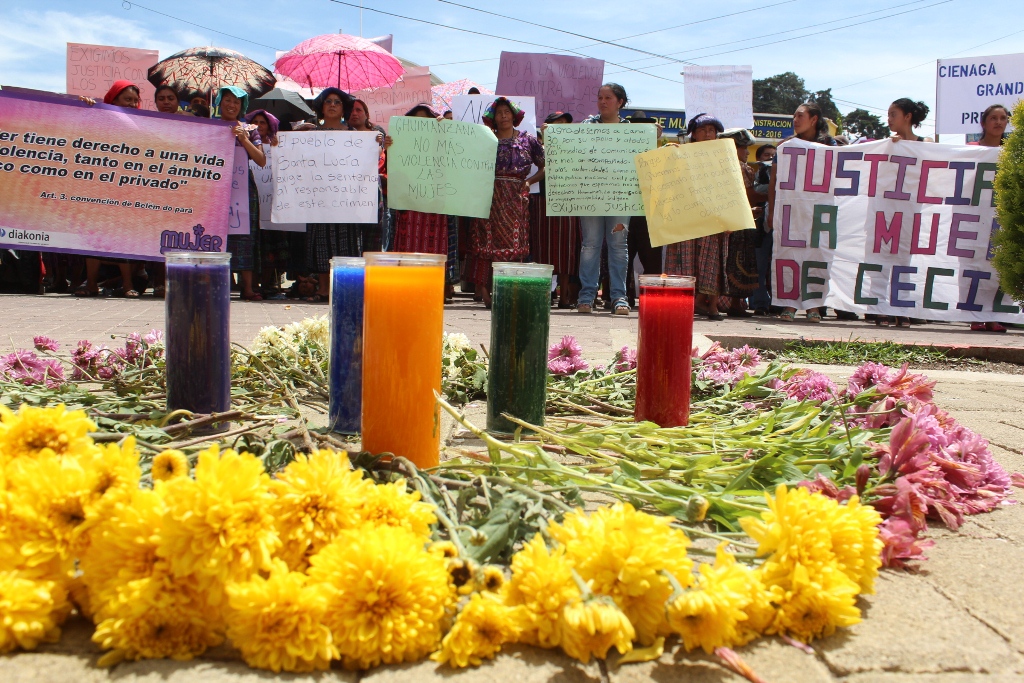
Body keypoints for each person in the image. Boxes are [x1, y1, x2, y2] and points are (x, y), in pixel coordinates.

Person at [469, 97, 545, 308]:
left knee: (515, 245)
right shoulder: (486, 139)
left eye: (507, 112)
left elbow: (544, 166)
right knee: (486, 243)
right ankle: (485, 291)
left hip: (516, 197)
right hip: (489, 195)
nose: (503, 115)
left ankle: (510, 289)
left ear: (514, 115)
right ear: (493, 117)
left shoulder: (528, 140)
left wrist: (529, 182)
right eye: (499, 112)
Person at [75, 81, 145, 299]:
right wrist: (87, 108)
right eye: (127, 100)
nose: (133, 104)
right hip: (101, 183)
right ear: (113, 100)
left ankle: (126, 285)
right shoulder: (99, 116)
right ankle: (92, 284)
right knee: (95, 232)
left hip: (127, 186)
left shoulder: (144, 123)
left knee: (121, 233)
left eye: (135, 100)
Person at [767, 102, 835, 323]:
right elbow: (774, 181)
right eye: (794, 116)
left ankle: (814, 306)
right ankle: (790, 304)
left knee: (818, 255)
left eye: (800, 115)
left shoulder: (830, 145)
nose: (795, 120)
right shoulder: (785, 147)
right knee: (790, 255)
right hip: (792, 213)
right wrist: (772, 209)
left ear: (814, 119)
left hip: (819, 213)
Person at [389, 104, 457, 299]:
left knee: (435, 244)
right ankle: (406, 287)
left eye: (426, 119)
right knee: (408, 242)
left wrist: (445, 129)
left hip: (435, 203)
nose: (422, 123)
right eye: (417, 119)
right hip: (409, 203)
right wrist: (388, 145)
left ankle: (433, 289)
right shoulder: (401, 142)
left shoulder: (443, 141)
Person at [664, 113, 728, 319]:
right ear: (693, 133)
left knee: (711, 261)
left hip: (712, 216)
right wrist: (667, 152)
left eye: (712, 130)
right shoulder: (681, 154)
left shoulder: (724, 157)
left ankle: (711, 305)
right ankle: (687, 303)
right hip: (687, 216)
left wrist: (730, 217)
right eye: (703, 130)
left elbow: (731, 189)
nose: (708, 134)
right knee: (685, 259)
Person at [577, 83, 632, 315]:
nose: (602, 101)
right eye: (600, 97)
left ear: (620, 102)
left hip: (621, 196)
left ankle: (619, 297)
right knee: (590, 245)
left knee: (619, 246)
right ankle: (587, 297)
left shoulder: (632, 131)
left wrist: (653, 136)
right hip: (591, 194)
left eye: (608, 97)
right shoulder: (587, 126)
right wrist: (553, 133)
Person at [304, 88, 360, 302]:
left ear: (343, 108)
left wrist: (379, 144)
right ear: (321, 106)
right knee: (320, 240)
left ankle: (344, 289)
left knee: (345, 242)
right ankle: (323, 289)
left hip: (345, 198)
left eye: (337, 102)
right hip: (318, 196)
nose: (333, 105)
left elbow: (365, 164)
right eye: (328, 101)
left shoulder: (354, 136)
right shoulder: (309, 134)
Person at [215, 85, 267, 301]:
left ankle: (247, 287)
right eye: (227, 99)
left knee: (246, 235)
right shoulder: (208, 126)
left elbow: (261, 160)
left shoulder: (250, 129)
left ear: (242, 106)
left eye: (236, 101)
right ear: (219, 102)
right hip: (215, 189)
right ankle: (219, 285)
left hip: (243, 189)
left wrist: (243, 138)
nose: (231, 104)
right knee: (217, 236)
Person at [968, 104, 1011, 333]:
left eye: (1003, 118)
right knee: (971, 265)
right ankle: (974, 315)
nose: (998, 122)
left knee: (996, 267)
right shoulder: (968, 149)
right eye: (993, 118)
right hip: (971, 216)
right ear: (983, 123)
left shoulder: (1013, 153)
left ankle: (994, 315)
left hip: (999, 216)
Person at [531, 111, 580, 308]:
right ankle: (545, 293)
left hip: (568, 202)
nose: (561, 128)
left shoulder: (575, 149)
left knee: (567, 250)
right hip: (542, 201)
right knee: (543, 249)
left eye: (565, 124)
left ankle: (565, 296)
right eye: (557, 124)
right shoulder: (538, 149)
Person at [246, 109, 290, 299]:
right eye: (254, 122)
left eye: (262, 122)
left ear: (269, 126)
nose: (258, 125)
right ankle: (252, 284)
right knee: (255, 245)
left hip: (271, 205)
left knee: (271, 248)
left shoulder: (277, 146)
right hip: (253, 204)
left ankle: (269, 283)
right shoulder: (245, 144)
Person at [720, 128, 764, 316]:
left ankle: (736, 303)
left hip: (739, 221)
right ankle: (732, 303)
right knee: (733, 262)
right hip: (732, 222)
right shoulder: (735, 168)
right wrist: (769, 193)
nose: (746, 152)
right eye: (742, 147)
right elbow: (747, 195)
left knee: (739, 262)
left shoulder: (743, 168)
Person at [346, 99, 389, 253]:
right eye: (351, 110)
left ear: (366, 114)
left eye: (359, 110)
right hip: (348, 197)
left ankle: (370, 274)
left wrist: (380, 145)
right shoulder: (340, 135)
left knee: (372, 242)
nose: (354, 113)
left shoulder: (377, 137)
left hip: (372, 197)